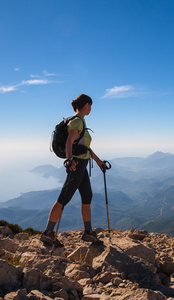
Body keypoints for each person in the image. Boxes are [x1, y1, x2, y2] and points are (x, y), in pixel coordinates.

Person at [41, 94, 107, 247]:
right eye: (90, 105)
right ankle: (47, 233)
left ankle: (88, 233)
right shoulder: (77, 121)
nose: (91, 108)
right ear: (86, 105)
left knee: (87, 196)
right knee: (63, 199)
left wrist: (98, 162)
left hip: (82, 164)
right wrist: (69, 159)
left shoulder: (81, 121)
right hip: (76, 165)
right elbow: (69, 141)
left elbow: (86, 147)